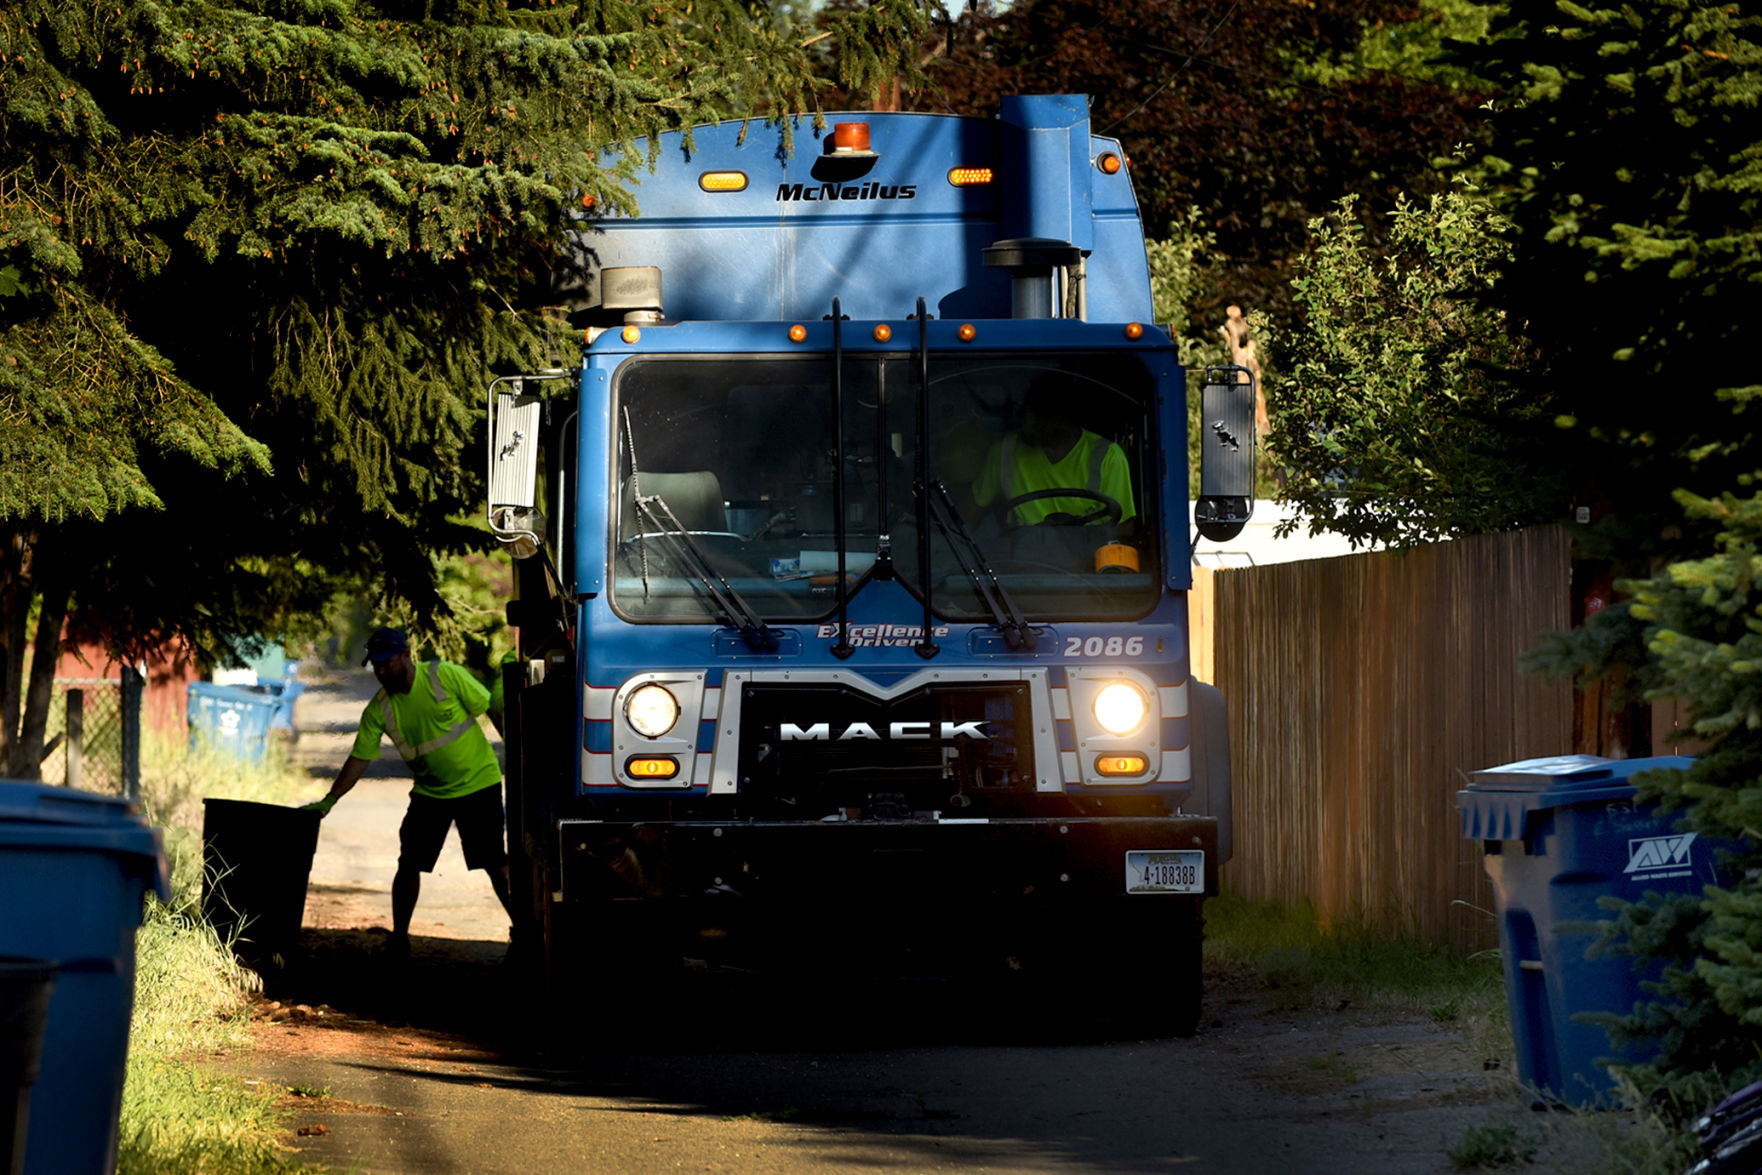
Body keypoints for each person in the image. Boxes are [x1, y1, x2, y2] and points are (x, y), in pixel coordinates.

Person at [304, 626, 515, 958]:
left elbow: (491, 708)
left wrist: (517, 755)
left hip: (479, 783)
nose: (382, 671)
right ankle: (399, 937)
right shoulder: (379, 709)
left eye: (387, 663)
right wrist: (330, 800)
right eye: (376, 666)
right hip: (431, 793)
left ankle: (523, 933)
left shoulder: (444, 676)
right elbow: (359, 759)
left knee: (495, 864)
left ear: (406, 655)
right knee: (409, 864)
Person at [970, 376, 1136, 530]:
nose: (1025, 425)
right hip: (1021, 558)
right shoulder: (1005, 450)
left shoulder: (1107, 456)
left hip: (1087, 558)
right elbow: (972, 510)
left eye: (1035, 418)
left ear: (1060, 417)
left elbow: (1123, 528)